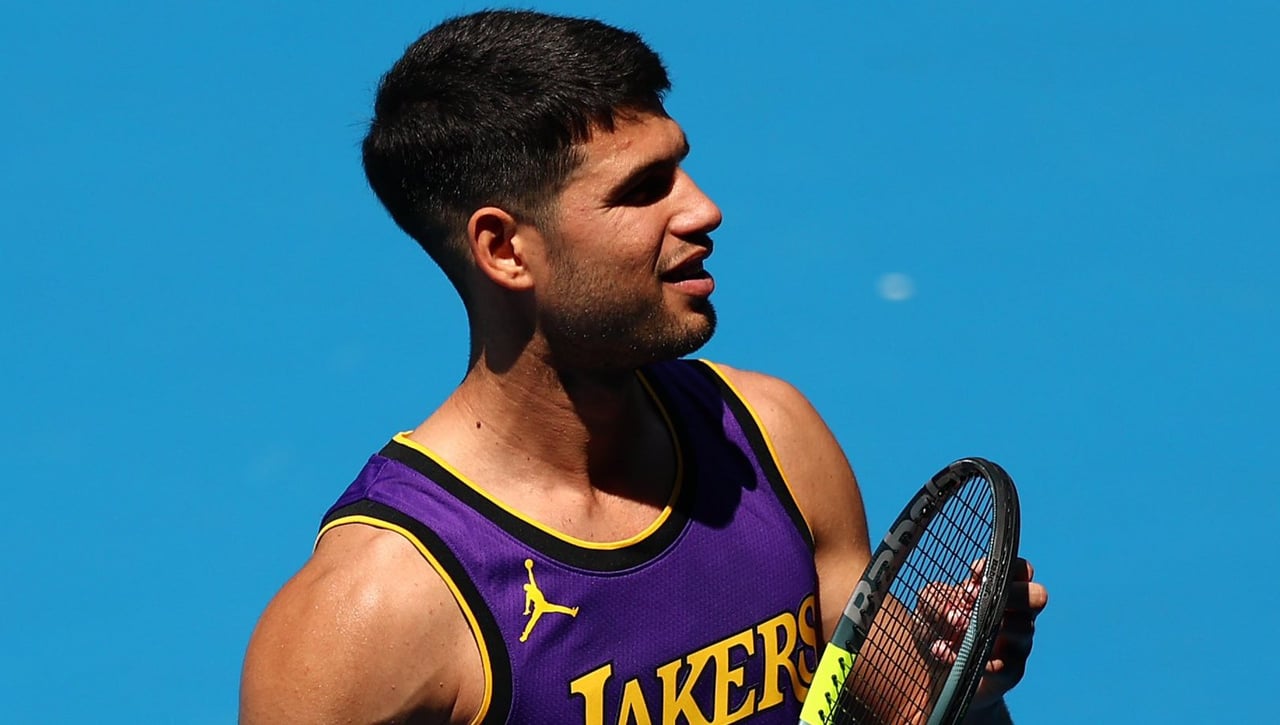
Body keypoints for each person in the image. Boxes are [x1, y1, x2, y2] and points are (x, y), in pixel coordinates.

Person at [239, 10, 1048, 724]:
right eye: (641, 191)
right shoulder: (373, 611)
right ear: (504, 248)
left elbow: (901, 713)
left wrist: (966, 690)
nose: (701, 209)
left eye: (679, 166)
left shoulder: (771, 439)